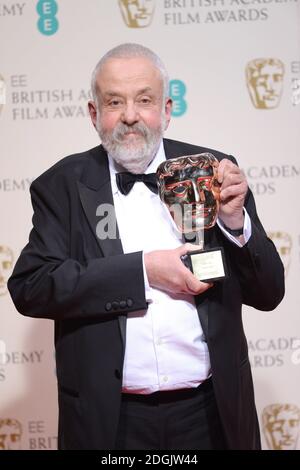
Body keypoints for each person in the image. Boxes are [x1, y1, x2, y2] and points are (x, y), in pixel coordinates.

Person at [8, 43, 284, 450]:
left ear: (167, 109)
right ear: (93, 114)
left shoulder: (212, 170)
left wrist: (233, 222)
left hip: (211, 414)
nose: (131, 115)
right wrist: (143, 271)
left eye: (145, 100)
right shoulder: (61, 185)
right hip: (111, 421)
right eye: (114, 102)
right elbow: (31, 286)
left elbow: (268, 293)